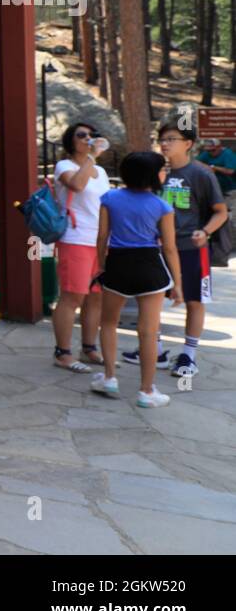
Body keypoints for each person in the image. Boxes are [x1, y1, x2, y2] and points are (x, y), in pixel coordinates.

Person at [121, 123, 227, 378]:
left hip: (191, 248)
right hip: (156, 249)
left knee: (195, 300)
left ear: (188, 143)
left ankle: (188, 356)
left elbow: (221, 212)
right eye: (162, 139)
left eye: (171, 139)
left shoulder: (201, 174)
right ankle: (154, 350)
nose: (164, 144)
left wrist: (205, 231)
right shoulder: (156, 173)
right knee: (151, 299)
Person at [89, 151, 183, 408]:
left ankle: (109, 378)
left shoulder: (109, 198)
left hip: (118, 264)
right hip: (150, 266)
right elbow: (170, 249)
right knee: (149, 332)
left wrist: (101, 266)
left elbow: (102, 237)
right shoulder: (162, 206)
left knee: (108, 323)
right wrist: (178, 284)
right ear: (153, 175)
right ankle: (146, 391)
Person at [50, 123, 111, 372]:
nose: (88, 139)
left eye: (92, 135)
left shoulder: (101, 171)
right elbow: (76, 185)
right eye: (81, 135)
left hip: (100, 241)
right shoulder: (65, 166)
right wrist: (92, 156)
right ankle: (62, 352)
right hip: (75, 239)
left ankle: (89, 348)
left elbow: (105, 204)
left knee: (96, 297)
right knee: (72, 296)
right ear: (70, 141)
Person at [196, 136, 236, 237]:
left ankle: (231, 237)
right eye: (208, 151)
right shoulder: (207, 154)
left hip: (229, 189)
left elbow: (230, 170)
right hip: (214, 189)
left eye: (213, 150)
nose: (210, 153)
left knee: (228, 214)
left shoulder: (227, 154)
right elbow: (195, 162)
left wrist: (214, 168)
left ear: (219, 147)